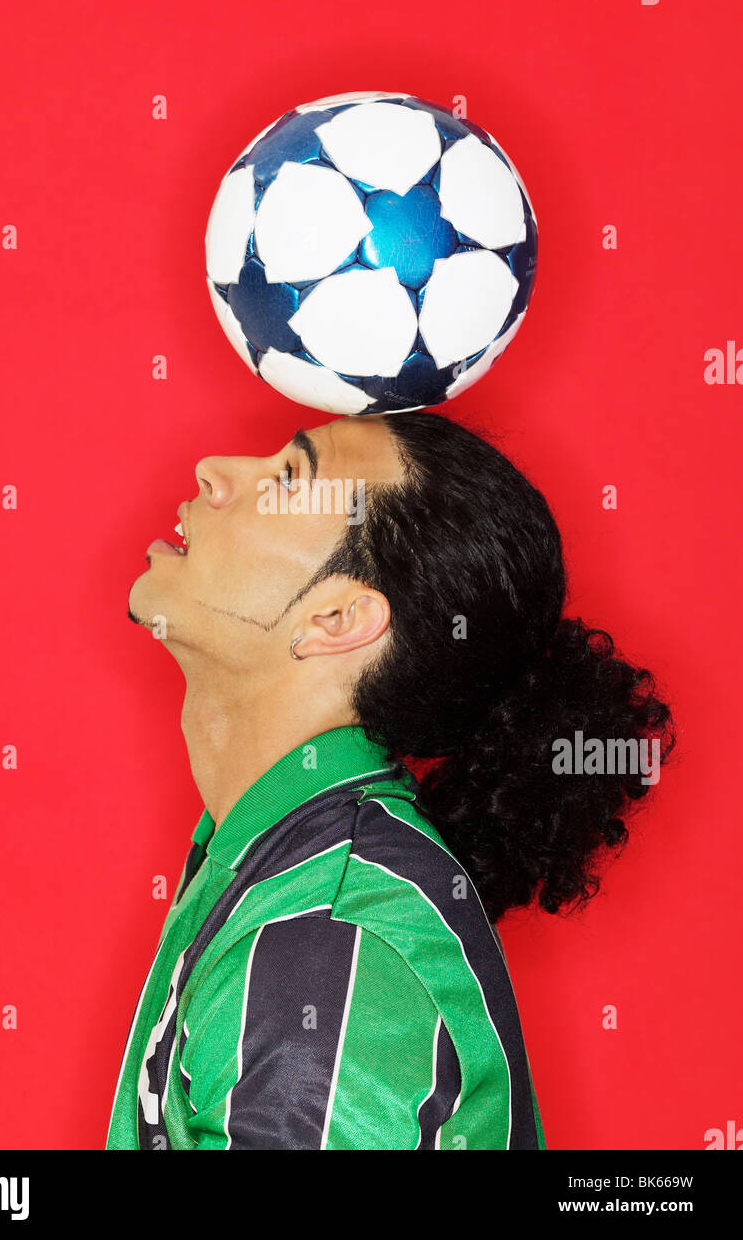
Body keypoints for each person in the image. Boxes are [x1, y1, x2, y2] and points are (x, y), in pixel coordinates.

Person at [106, 411, 674, 1150]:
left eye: (285, 480)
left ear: (338, 618)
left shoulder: (324, 940)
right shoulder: (270, 857)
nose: (213, 469)